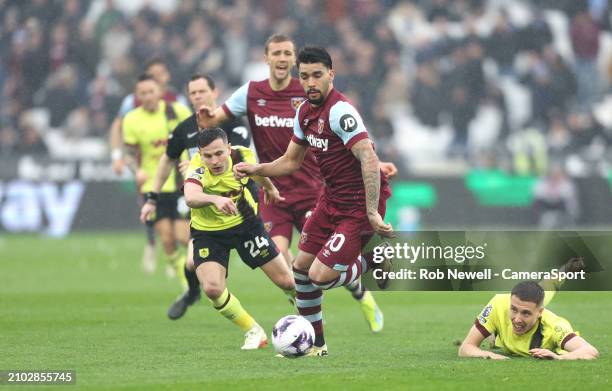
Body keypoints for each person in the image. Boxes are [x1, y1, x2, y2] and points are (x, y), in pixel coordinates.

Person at [197, 34, 397, 334]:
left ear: (331, 74)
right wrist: (257, 169)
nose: (310, 82)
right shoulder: (300, 109)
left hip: (343, 200)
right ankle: (315, 343)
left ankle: (371, 260)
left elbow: (366, 155)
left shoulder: (340, 110)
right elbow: (290, 160)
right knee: (299, 269)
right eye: (305, 77)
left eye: (317, 75)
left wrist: (372, 211)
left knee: (320, 275)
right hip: (315, 198)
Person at [140, 73, 254, 319]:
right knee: (192, 263)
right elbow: (166, 161)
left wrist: (196, 169)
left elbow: (242, 163)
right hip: (205, 208)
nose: (197, 96)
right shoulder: (185, 129)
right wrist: (152, 197)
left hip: (239, 206)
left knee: (279, 268)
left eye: (202, 91)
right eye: (193, 93)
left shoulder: (233, 125)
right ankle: (192, 292)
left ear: (214, 93)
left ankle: (302, 304)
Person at [184, 127, 295, 350]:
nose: (214, 160)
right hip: (208, 233)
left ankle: (308, 318)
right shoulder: (196, 167)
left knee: (288, 282)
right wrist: (215, 200)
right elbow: (191, 197)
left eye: (219, 153)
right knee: (213, 289)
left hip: (246, 225)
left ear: (228, 148)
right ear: (200, 153)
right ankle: (253, 331)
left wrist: (270, 189)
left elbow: (257, 173)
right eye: (208, 155)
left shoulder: (243, 155)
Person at [110, 58, 189, 273]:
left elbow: (193, 133)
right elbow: (118, 128)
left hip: (180, 181)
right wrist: (118, 157)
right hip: (150, 179)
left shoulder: (177, 104)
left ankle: (190, 264)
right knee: (163, 231)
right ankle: (154, 246)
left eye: (159, 74)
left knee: (183, 235)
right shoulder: (131, 106)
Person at [458, 280, 598, 360]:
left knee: (548, 288)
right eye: (513, 309)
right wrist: (488, 355)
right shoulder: (498, 304)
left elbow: (590, 351)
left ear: (540, 313)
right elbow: (465, 348)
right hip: (505, 337)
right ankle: (496, 333)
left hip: (545, 323)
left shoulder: (554, 326)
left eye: (525, 313)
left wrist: (558, 358)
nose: (517, 319)